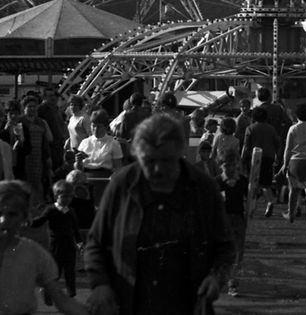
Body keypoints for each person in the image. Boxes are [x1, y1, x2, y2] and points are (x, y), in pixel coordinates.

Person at [84, 114, 235, 315]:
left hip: (186, 305)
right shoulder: (122, 185)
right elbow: (96, 242)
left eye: (166, 160)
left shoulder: (203, 188)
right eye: (149, 160)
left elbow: (225, 246)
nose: (157, 170)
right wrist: (100, 284)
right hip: (129, 304)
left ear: (180, 152)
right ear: (138, 155)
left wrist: (216, 277)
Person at [0, 180, 87, 315]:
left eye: (12, 214)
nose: (3, 220)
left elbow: (61, 299)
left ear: (23, 218)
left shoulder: (33, 252)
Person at [31, 179, 83, 300]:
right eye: (64, 196)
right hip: (56, 245)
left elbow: (75, 229)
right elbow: (39, 221)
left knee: (70, 271)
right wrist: (28, 222)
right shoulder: (51, 210)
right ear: (56, 196)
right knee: (55, 272)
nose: (67, 200)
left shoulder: (71, 211)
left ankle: (72, 295)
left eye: (70, 197)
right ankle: (48, 294)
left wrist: (80, 243)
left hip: (69, 244)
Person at [279, 103, 306, 224]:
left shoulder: (293, 129)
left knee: (294, 189)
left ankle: (291, 214)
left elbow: (288, 149)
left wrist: (284, 164)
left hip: (296, 161)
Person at [241, 106, 281, 218]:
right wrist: (277, 156)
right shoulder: (271, 129)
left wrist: (242, 159)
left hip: (254, 157)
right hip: (268, 157)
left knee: (253, 183)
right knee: (266, 183)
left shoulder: (250, 128)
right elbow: (277, 144)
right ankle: (269, 201)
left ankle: (251, 208)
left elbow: (246, 145)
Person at [219, 151, 248, 297]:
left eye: (232, 165)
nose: (229, 168)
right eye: (226, 165)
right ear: (221, 166)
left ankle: (233, 283)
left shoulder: (242, 181)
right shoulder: (217, 182)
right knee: (223, 253)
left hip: (238, 220)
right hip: (222, 221)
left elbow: (251, 199)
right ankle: (219, 281)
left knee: (238, 253)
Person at [17, 95, 54, 208]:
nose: (32, 108)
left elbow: (49, 139)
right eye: (29, 106)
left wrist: (48, 158)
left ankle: (38, 207)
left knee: (38, 183)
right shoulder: (19, 122)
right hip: (23, 159)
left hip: (39, 158)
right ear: (24, 108)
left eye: (34, 106)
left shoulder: (41, 122)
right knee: (24, 183)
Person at [76, 109, 123, 178]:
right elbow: (79, 168)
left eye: (99, 126)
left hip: (104, 178)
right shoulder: (85, 142)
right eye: (93, 126)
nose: (96, 129)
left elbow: (118, 168)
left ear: (106, 127)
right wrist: (78, 161)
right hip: (86, 177)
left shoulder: (113, 143)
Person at [38, 88, 68, 168]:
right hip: (48, 147)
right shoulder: (41, 110)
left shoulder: (58, 110)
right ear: (44, 97)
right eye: (51, 95)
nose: (54, 97)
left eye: (55, 95)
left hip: (59, 146)